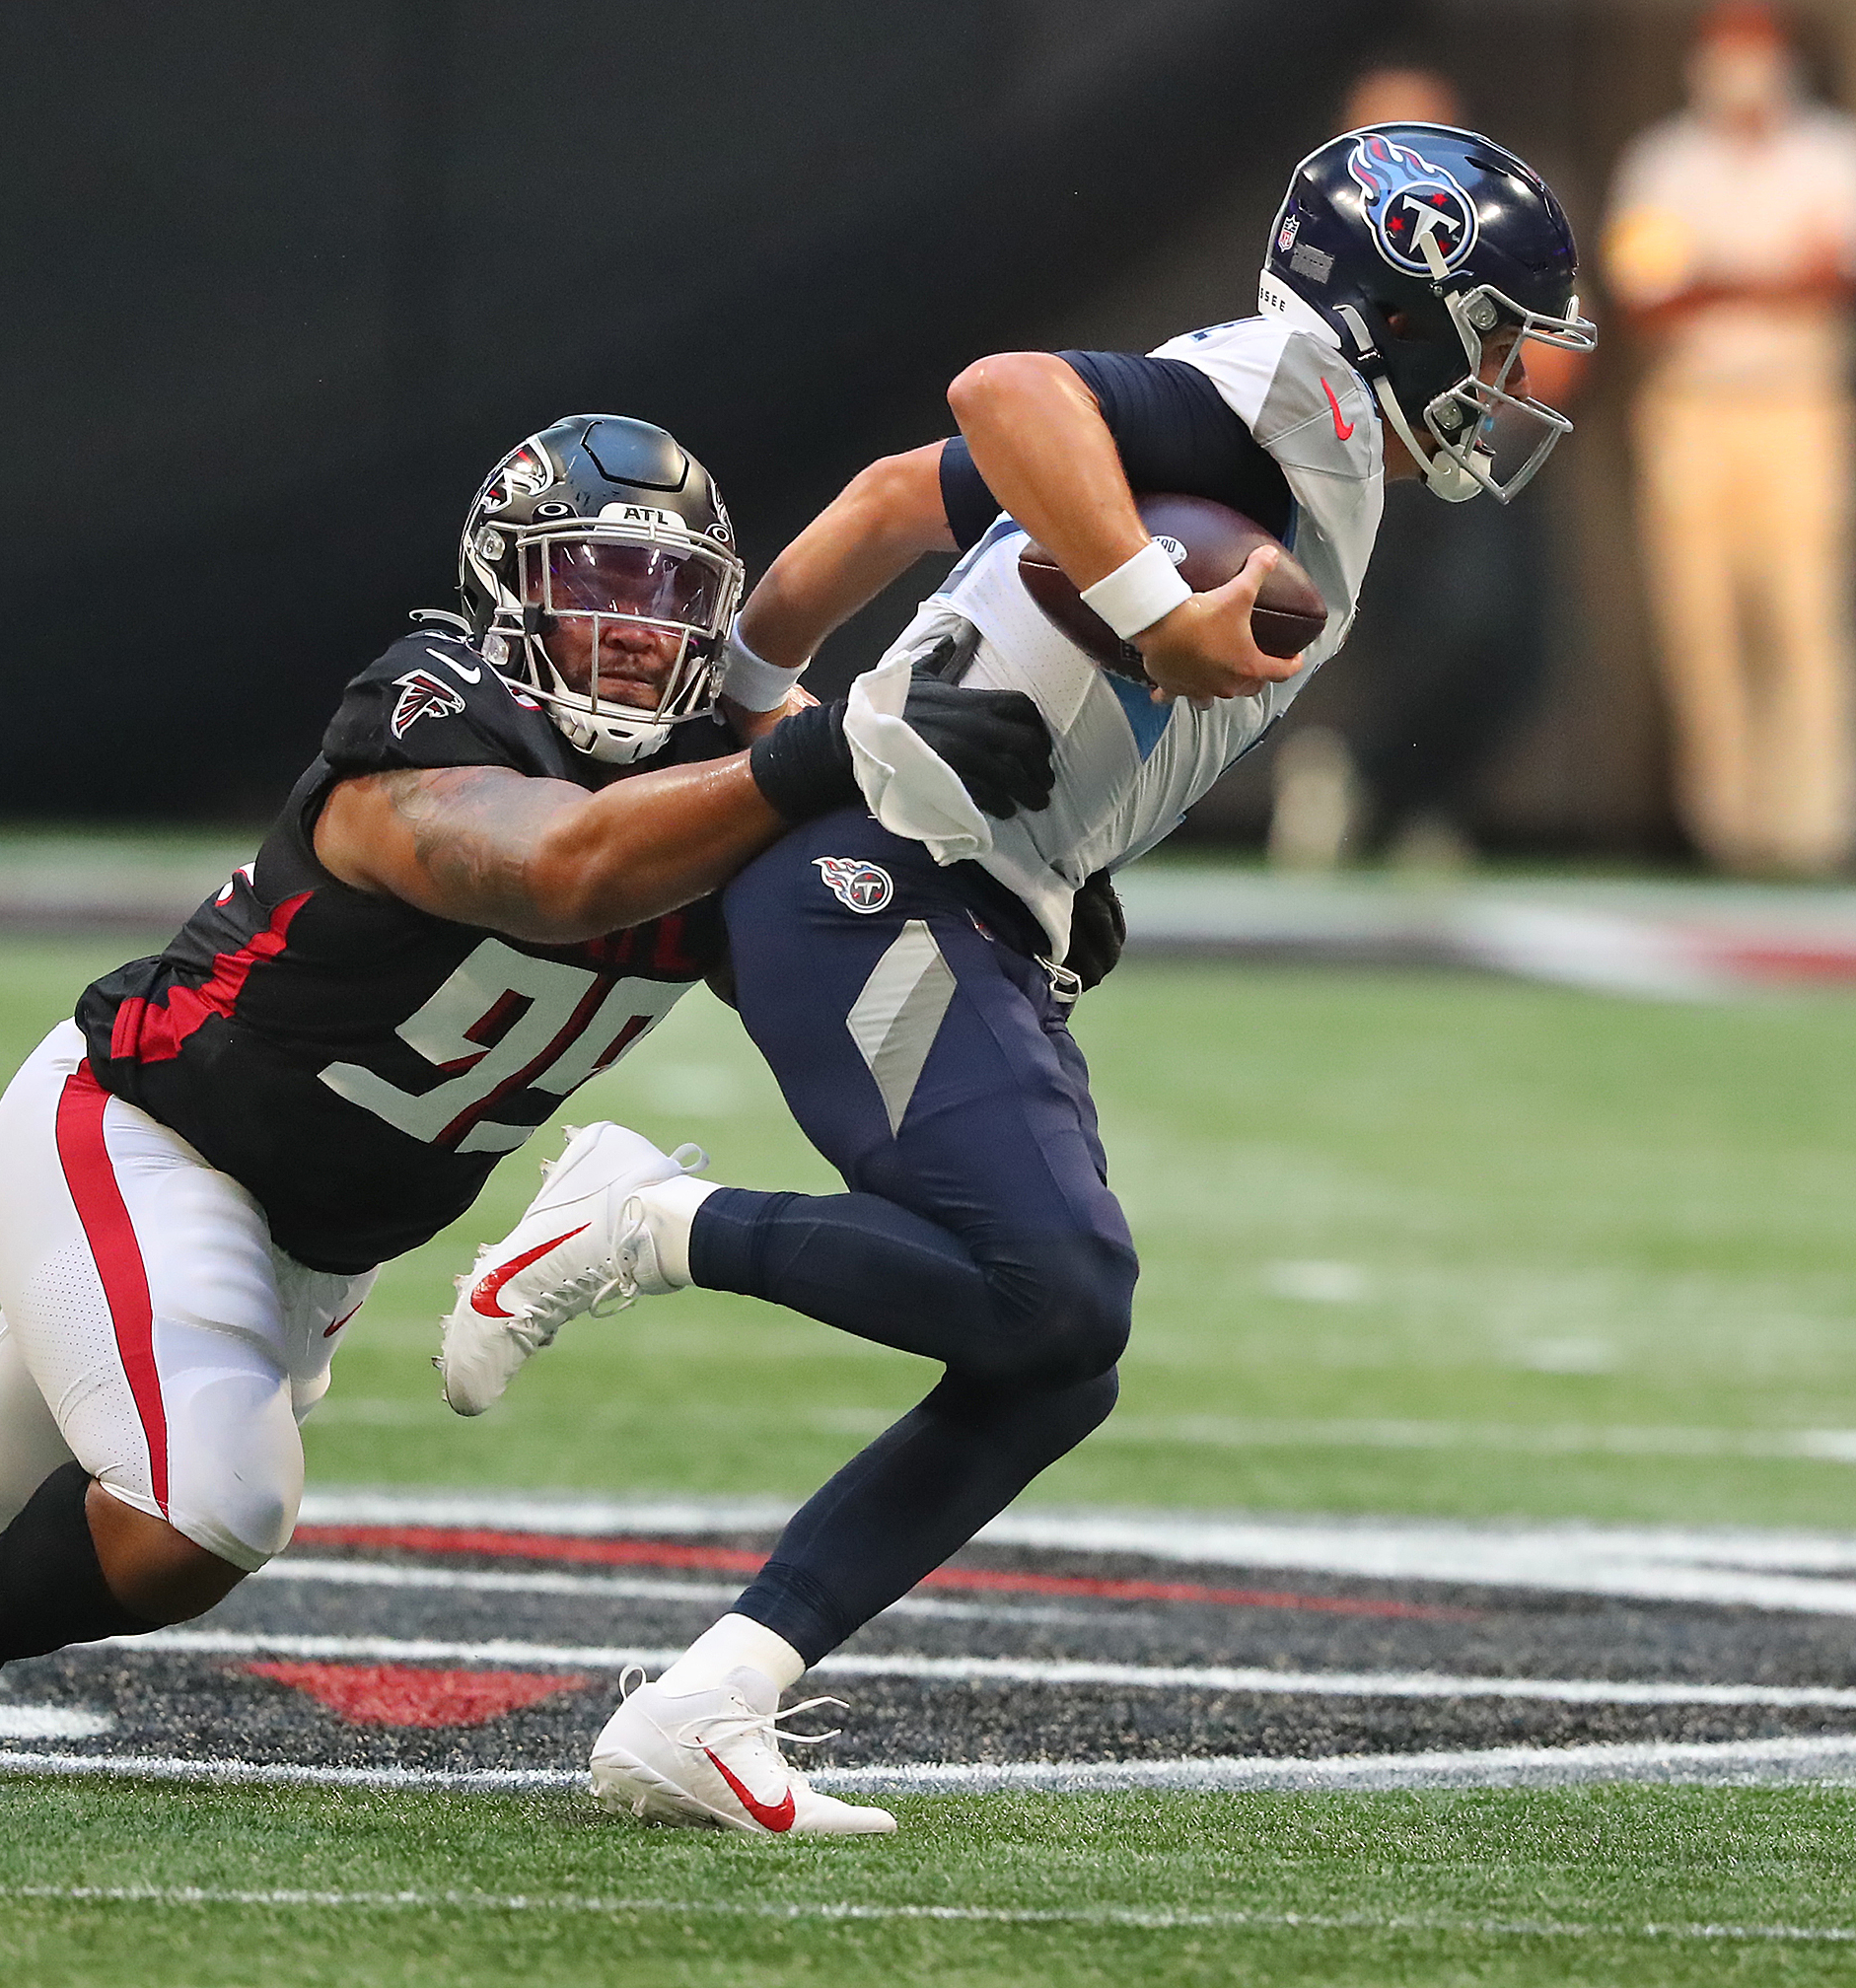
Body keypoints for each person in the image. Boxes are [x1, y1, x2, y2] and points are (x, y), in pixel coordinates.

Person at [0, 414, 1053, 1773]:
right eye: (599, 583)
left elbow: (832, 948)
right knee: (206, 1507)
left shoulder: (736, 778)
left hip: (320, 1229)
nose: (641, 629)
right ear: (511, 592)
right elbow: (560, 869)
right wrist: (846, 752)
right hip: (147, 1132)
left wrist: (998, 896)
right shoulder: (437, 708)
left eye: (673, 595)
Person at [444, 127, 1596, 1835]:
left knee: (1059, 1352)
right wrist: (1141, 606)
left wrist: (771, 699)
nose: (1505, 380)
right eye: (1493, 335)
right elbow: (1002, 394)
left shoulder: (1304, 440)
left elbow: (898, 503)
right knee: (1053, 1288)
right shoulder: (1303, 392)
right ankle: (635, 1219)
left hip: (961, 882)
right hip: (879, 877)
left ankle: (715, 1693)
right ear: (1404, 305)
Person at [1270, 63, 1593, 871]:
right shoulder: (1331, 241)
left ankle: (1412, 793)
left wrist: (1495, 379)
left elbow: (1555, 346)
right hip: (1376, 445)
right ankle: (1376, 783)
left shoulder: (1492, 224)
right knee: (1408, 630)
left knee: (1510, 641)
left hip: (1473, 444)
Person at [1606, 0, 1856, 876]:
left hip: (1799, 409)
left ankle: (1813, 832)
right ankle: (1728, 831)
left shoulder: (1833, 155)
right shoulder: (1664, 162)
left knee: (1803, 615)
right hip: (1692, 410)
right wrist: (1777, 279)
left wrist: (1716, 279)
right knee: (1701, 621)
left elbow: (1835, 285)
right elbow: (1644, 294)